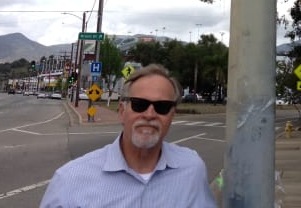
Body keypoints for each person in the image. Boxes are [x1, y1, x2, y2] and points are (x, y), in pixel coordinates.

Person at [40, 64, 217, 207]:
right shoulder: (69, 180)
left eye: (162, 107)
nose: (149, 114)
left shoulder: (192, 169)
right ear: (122, 111)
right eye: (139, 104)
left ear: (172, 115)